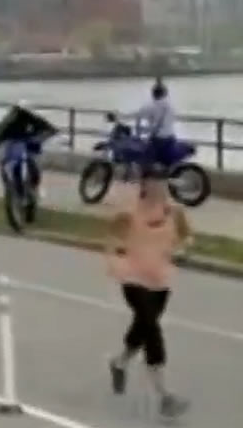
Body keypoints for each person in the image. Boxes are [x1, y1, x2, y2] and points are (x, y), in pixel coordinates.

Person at [105, 171, 191, 419]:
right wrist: (116, 255)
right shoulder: (130, 210)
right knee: (152, 328)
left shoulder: (174, 211)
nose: (160, 187)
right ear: (144, 185)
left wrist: (183, 250)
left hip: (160, 280)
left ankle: (119, 362)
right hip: (132, 278)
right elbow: (112, 235)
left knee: (143, 327)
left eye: (163, 182)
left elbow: (186, 237)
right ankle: (166, 396)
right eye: (155, 182)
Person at [131, 82, 178, 169]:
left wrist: (139, 132)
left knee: (144, 160)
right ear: (165, 93)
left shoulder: (149, 106)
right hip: (170, 138)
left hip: (157, 139)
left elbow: (138, 116)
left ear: (153, 94)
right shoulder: (171, 106)